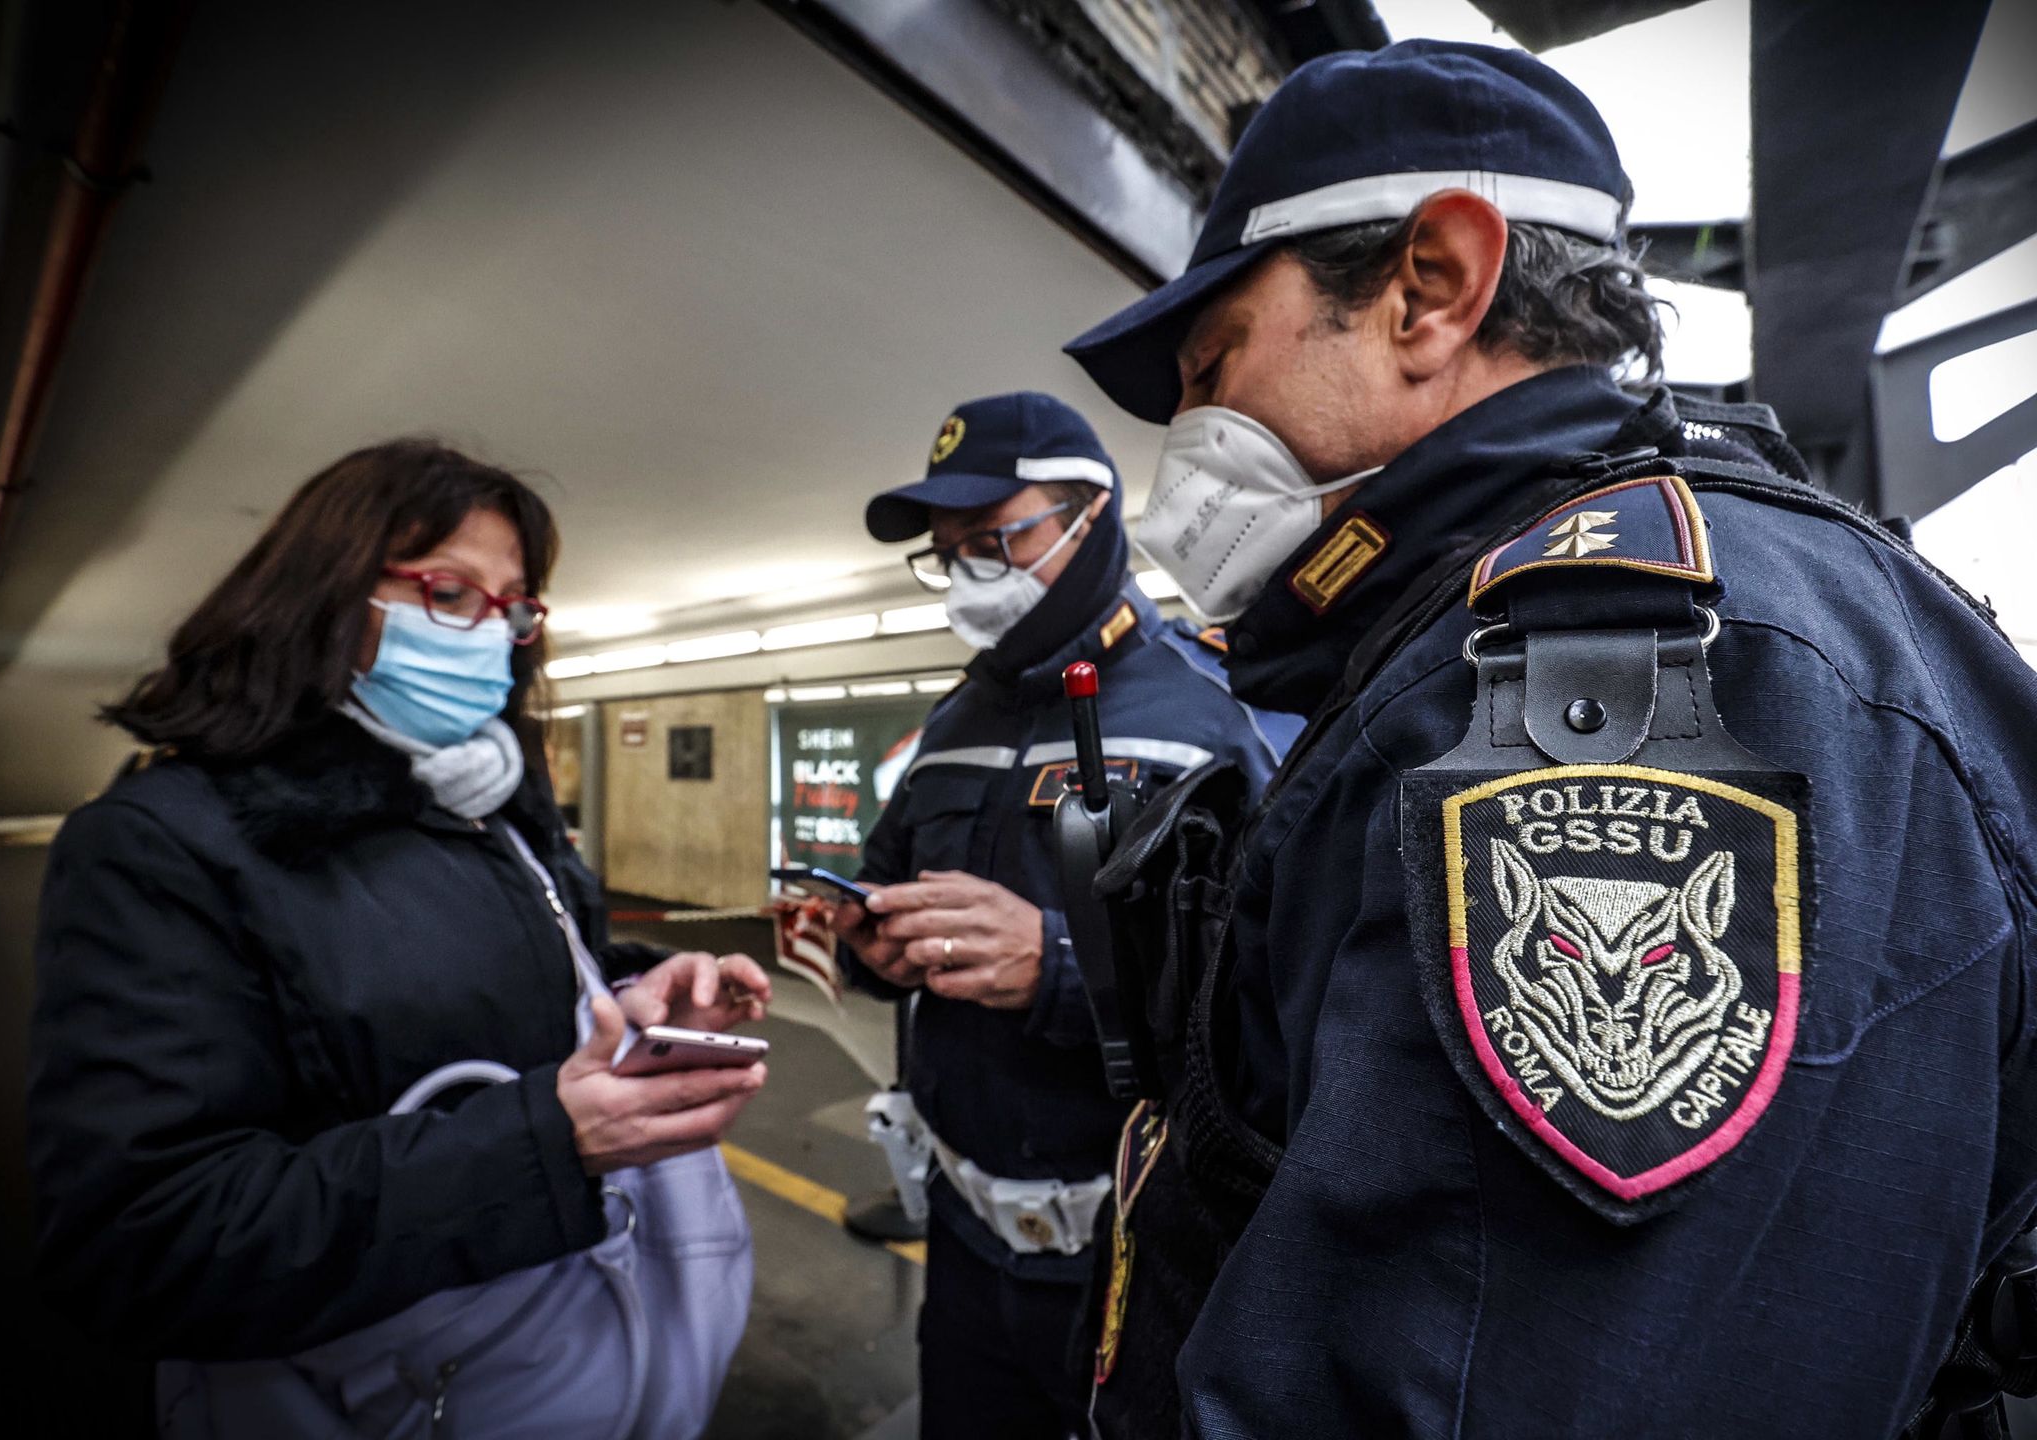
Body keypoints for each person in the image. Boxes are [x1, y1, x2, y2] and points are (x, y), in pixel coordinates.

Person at [1061, 39, 2037, 1440]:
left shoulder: (1613, 666)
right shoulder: (1550, 626)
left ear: (1432, 287)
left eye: (1213, 365)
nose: (1199, 435)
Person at [26, 439, 773, 1437]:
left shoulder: (491, 806)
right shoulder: (162, 843)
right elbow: (146, 1241)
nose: (492, 634)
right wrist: (548, 1143)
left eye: (512, 606)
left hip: (582, 1361)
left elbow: (486, 975)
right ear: (321, 598)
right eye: (450, 592)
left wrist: (628, 991)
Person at [829, 392, 1299, 1438]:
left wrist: (1052, 962)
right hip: (957, 1237)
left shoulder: (1210, 719)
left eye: (997, 539)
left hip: (1129, 1253)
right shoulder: (950, 723)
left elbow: (1269, 1004)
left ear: (1093, 515)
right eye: (950, 554)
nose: (971, 576)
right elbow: (885, 884)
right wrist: (870, 948)